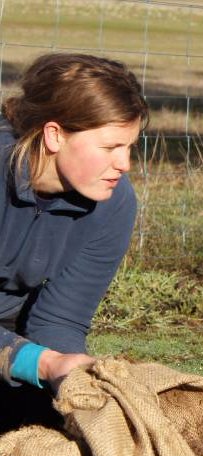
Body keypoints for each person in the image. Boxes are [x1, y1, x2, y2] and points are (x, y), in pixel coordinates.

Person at [0, 53, 149, 431]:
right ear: (54, 135)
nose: (125, 164)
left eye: (130, 146)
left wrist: (73, 376)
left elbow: (59, 317)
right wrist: (41, 363)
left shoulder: (113, 204)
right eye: (110, 147)